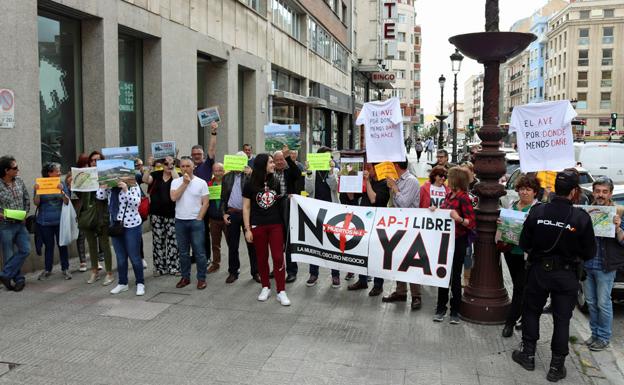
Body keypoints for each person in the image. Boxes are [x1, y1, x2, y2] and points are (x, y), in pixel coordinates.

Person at [512, 169, 596, 382]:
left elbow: (524, 243)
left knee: (531, 312)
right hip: (566, 275)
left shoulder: (538, 211)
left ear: (555, 189)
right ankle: (556, 367)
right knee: (562, 320)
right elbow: (589, 252)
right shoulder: (580, 217)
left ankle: (528, 355)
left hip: (539, 270)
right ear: (575, 192)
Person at [582, 177, 624, 352]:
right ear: (593, 192)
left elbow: (623, 241)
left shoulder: (619, 212)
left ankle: (604, 337)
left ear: (610, 193)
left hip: (606, 267)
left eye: (604, 191)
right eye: (598, 191)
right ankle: (594, 334)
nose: (600, 195)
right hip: (587, 264)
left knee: (603, 303)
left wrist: (618, 228)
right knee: (591, 302)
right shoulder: (586, 211)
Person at [243, 153, 291, 306]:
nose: (273, 165)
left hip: (275, 225)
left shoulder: (276, 181)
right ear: (263, 164)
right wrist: (247, 229)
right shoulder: (249, 184)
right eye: (270, 162)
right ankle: (265, 287)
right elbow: (246, 207)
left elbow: (281, 200)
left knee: (278, 257)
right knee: (262, 258)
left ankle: (281, 291)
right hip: (258, 225)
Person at [433, 167, 476, 324]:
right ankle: (440, 307)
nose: (446, 179)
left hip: (458, 241)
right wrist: (435, 210)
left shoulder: (464, 198)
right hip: (445, 240)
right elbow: (444, 214)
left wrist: (459, 219)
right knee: (443, 274)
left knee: (455, 276)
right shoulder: (449, 195)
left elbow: (471, 222)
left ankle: (455, 311)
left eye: (449, 177)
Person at [499, 174, 540, 338]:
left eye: (528, 189)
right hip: (511, 251)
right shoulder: (512, 204)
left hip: (527, 255)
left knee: (519, 289)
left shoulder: (538, 209)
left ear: (535, 192)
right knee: (520, 287)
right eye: (522, 189)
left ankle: (510, 322)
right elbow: (505, 223)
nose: (524, 192)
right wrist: (501, 223)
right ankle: (522, 317)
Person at [382, 158, 422, 309]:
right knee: (397, 258)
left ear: (396, 166)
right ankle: (401, 291)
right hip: (396, 224)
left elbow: (404, 203)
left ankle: (416, 295)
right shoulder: (396, 180)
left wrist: (395, 188)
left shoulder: (411, 181)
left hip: (410, 226)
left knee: (411, 260)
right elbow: (394, 203)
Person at [346, 163, 391, 296]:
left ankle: (378, 285)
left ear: (376, 170)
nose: (366, 171)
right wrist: (348, 181)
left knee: (377, 255)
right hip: (364, 222)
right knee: (361, 251)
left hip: (378, 224)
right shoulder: (367, 180)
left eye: (369, 168)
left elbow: (373, 199)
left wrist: (367, 182)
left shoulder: (384, 184)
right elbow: (351, 197)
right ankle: (362, 280)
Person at [97, 179, 145, 295]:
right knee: (120, 257)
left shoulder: (132, 183)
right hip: (115, 225)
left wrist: (125, 189)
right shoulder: (111, 187)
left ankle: (140, 283)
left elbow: (136, 203)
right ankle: (122, 283)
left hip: (132, 225)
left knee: (134, 257)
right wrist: (103, 186)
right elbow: (99, 196)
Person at [75, 151, 114, 286]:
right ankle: (94, 271)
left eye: (98, 160)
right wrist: (74, 184)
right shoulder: (85, 175)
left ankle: (109, 273)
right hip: (87, 214)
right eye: (92, 160)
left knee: (104, 244)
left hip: (102, 214)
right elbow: (78, 195)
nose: (94, 163)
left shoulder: (106, 175)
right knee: (91, 245)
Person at [171, 157, 210, 290]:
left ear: (193, 167)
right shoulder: (176, 182)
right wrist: (185, 184)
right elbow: (174, 197)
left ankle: (201, 278)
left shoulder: (201, 182)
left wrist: (199, 218)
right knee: (183, 252)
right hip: (180, 221)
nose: (185, 168)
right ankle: (185, 277)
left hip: (195, 222)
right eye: (182, 166)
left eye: (188, 166)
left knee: (199, 252)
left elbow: (206, 202)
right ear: (180, 168)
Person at [304, 147, 341, 288]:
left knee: (333, 243)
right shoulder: (312, 170)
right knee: (315, 242)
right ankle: (313, 273)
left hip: (332, 212)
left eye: (329, 157)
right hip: (316, 211)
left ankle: (335, 275)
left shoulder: (335, 171)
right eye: (325, 157)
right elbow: (308, 190)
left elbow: (335, 187)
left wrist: (331, 171)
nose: (328, 159)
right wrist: (307, 173)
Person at [220, 152, 259, 284]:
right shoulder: (226, 177)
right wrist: (224, 213)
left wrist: (251, 174)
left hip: (248, 214)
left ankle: (256, 272)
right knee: (233, 245)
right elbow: (222, 198)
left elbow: (256, 191)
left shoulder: (249, 176)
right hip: (232, 213)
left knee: (252, 244)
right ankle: (233, 271)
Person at [143, 155, 180, 276]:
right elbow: (145, 179)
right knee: (158, 241)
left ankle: (173, 267)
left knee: (173, 241)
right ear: (161, 165)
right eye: (165, 163)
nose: (168, 165)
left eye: (171, 163)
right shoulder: (156, 175)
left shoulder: (175, 176)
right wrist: (150, 166)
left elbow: (177, 181)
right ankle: (159, 267)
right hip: (156, 214)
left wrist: (172, 165)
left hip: (172, 213)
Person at [34, 162, 72, 281]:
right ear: (49, 173)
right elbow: (36, 203)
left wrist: (62, 192)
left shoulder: (61, 184)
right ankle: (48, 269)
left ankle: (65, 268)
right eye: (57, 171)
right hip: (45, 222)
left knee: (62, 245)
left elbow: (67, 202)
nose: (60, 173)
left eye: (60, 171)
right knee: (49, 246)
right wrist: (37, 192)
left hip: (60, 221)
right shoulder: (40, 184)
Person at [0, 156, 30, 291]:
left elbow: (26, 199)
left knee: (25, 249)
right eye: (15, 168)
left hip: (20, 223)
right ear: (6, 170)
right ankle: (18, 279)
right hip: (5, 224)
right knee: (9, 254)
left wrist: (25, 213)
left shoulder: (19, 181)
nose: (18, 170)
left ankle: (5, 275)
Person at [191, 121, 218, 268]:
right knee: (192, 231)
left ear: (203, 155)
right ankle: (195, 255)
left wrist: (213, 132)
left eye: (199, 154)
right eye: (194, 154)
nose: (196, 156)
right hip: (190, 204)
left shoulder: (207, 164)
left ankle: (206, 257)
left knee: (203, 231)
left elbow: (212, 149)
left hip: (205, 203)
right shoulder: (187, 167)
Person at [273, 150, 303, 283]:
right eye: (277, 160)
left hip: (288, 206)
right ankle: (277, 268)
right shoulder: (270, 172)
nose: (279, 162)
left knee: (289, 241)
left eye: (281, 159)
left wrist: (288, 159)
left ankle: (292, 271)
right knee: (276, 241)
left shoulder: (289, 170)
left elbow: (297, 174)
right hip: (273, 207)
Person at [69, 153, 90, 272]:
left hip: (92, 208)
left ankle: (96, 259)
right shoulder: (74, 175)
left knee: (93, 235)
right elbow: (74, 197)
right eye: (84, 164)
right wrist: (72, 184)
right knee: (81, 236)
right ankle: (82, 261)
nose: (86, 166)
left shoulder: (94, 174)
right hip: (80, 209)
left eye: (88, 163)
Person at [207, 162, 226, 273]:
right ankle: (216, 264)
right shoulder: (209, 184)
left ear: (224, 171)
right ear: (213, 172)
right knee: (215, 244)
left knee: (231, 243)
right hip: (214, 219)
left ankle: (233, 266)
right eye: (216, 170)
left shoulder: (229, 183)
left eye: (220, 170)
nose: (218, 173)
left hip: (227, 219)